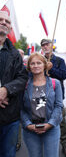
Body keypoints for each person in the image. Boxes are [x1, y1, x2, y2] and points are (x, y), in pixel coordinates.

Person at [21, 53, 63, 157]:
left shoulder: (55, 83)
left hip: (51, 128)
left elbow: (58, 106)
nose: (36, 66)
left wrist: (50, 124)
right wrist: (28, 125)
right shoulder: (24, 85)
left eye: (39, 63)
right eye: (32, 63)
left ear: (44, 65)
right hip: (30, 130)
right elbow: (20, 108)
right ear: (29, 67)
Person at [0, 11, 28, 157]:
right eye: (1, 19)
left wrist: (6, 90)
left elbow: (22, 78)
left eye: (8, 21)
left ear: (10, 29)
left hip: (9, 116)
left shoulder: (15, 54)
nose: (4, 22)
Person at [40, 39, 66, 156]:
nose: (45, 47)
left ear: (51, 46)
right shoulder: (39, 60)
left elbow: (64, 75)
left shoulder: (59, 60)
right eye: (43, 45)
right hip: (42, 95)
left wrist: (51, 68)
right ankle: (45, 145)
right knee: (42, 119)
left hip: (57, 96)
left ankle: (65, 144)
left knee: (61, 121)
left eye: (47, 44)